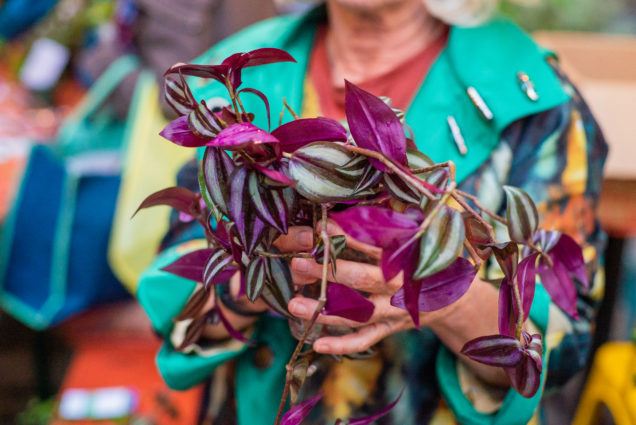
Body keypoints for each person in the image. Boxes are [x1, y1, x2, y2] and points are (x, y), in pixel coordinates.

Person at [136, 0, 608, 424]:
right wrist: (259, 273)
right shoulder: (238, 79)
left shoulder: (531, 94)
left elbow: (558, 346)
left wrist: (448, 297)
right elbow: (178, 286)